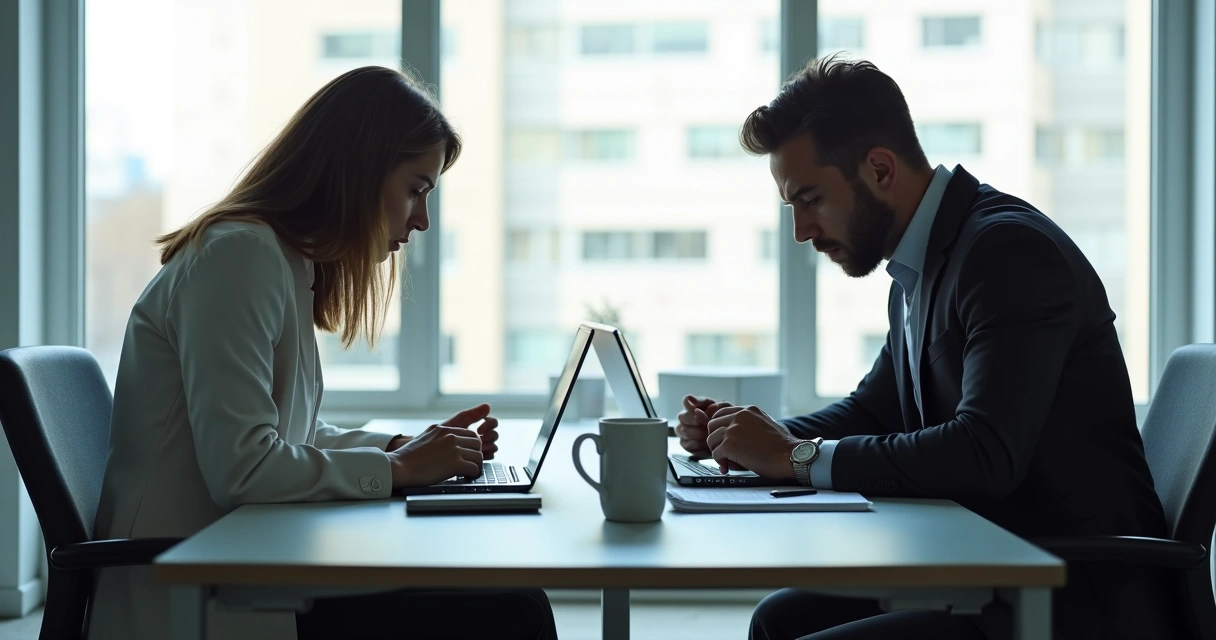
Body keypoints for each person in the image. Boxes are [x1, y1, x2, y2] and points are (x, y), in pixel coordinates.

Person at [676, 56, 1176, 640]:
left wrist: (795, 457)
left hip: (1074, 595)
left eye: (810, 199)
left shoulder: (1006, 253)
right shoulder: (921, 265)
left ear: (880, 170)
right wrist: (743, 437)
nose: (801, 231)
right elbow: (870, 411)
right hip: (986, 564)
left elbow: (984, 452)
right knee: (778, 619)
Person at [90, 66, 558, 640]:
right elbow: (244, 468)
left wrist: (403, 447)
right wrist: (402, 469)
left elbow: (293, 433)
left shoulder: (282, 259)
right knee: (515, 610)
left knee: (508, 598)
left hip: (246, 557)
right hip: (198, 590)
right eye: (415, 189)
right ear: (358, 171)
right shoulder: (239, 257)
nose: (423, 220)